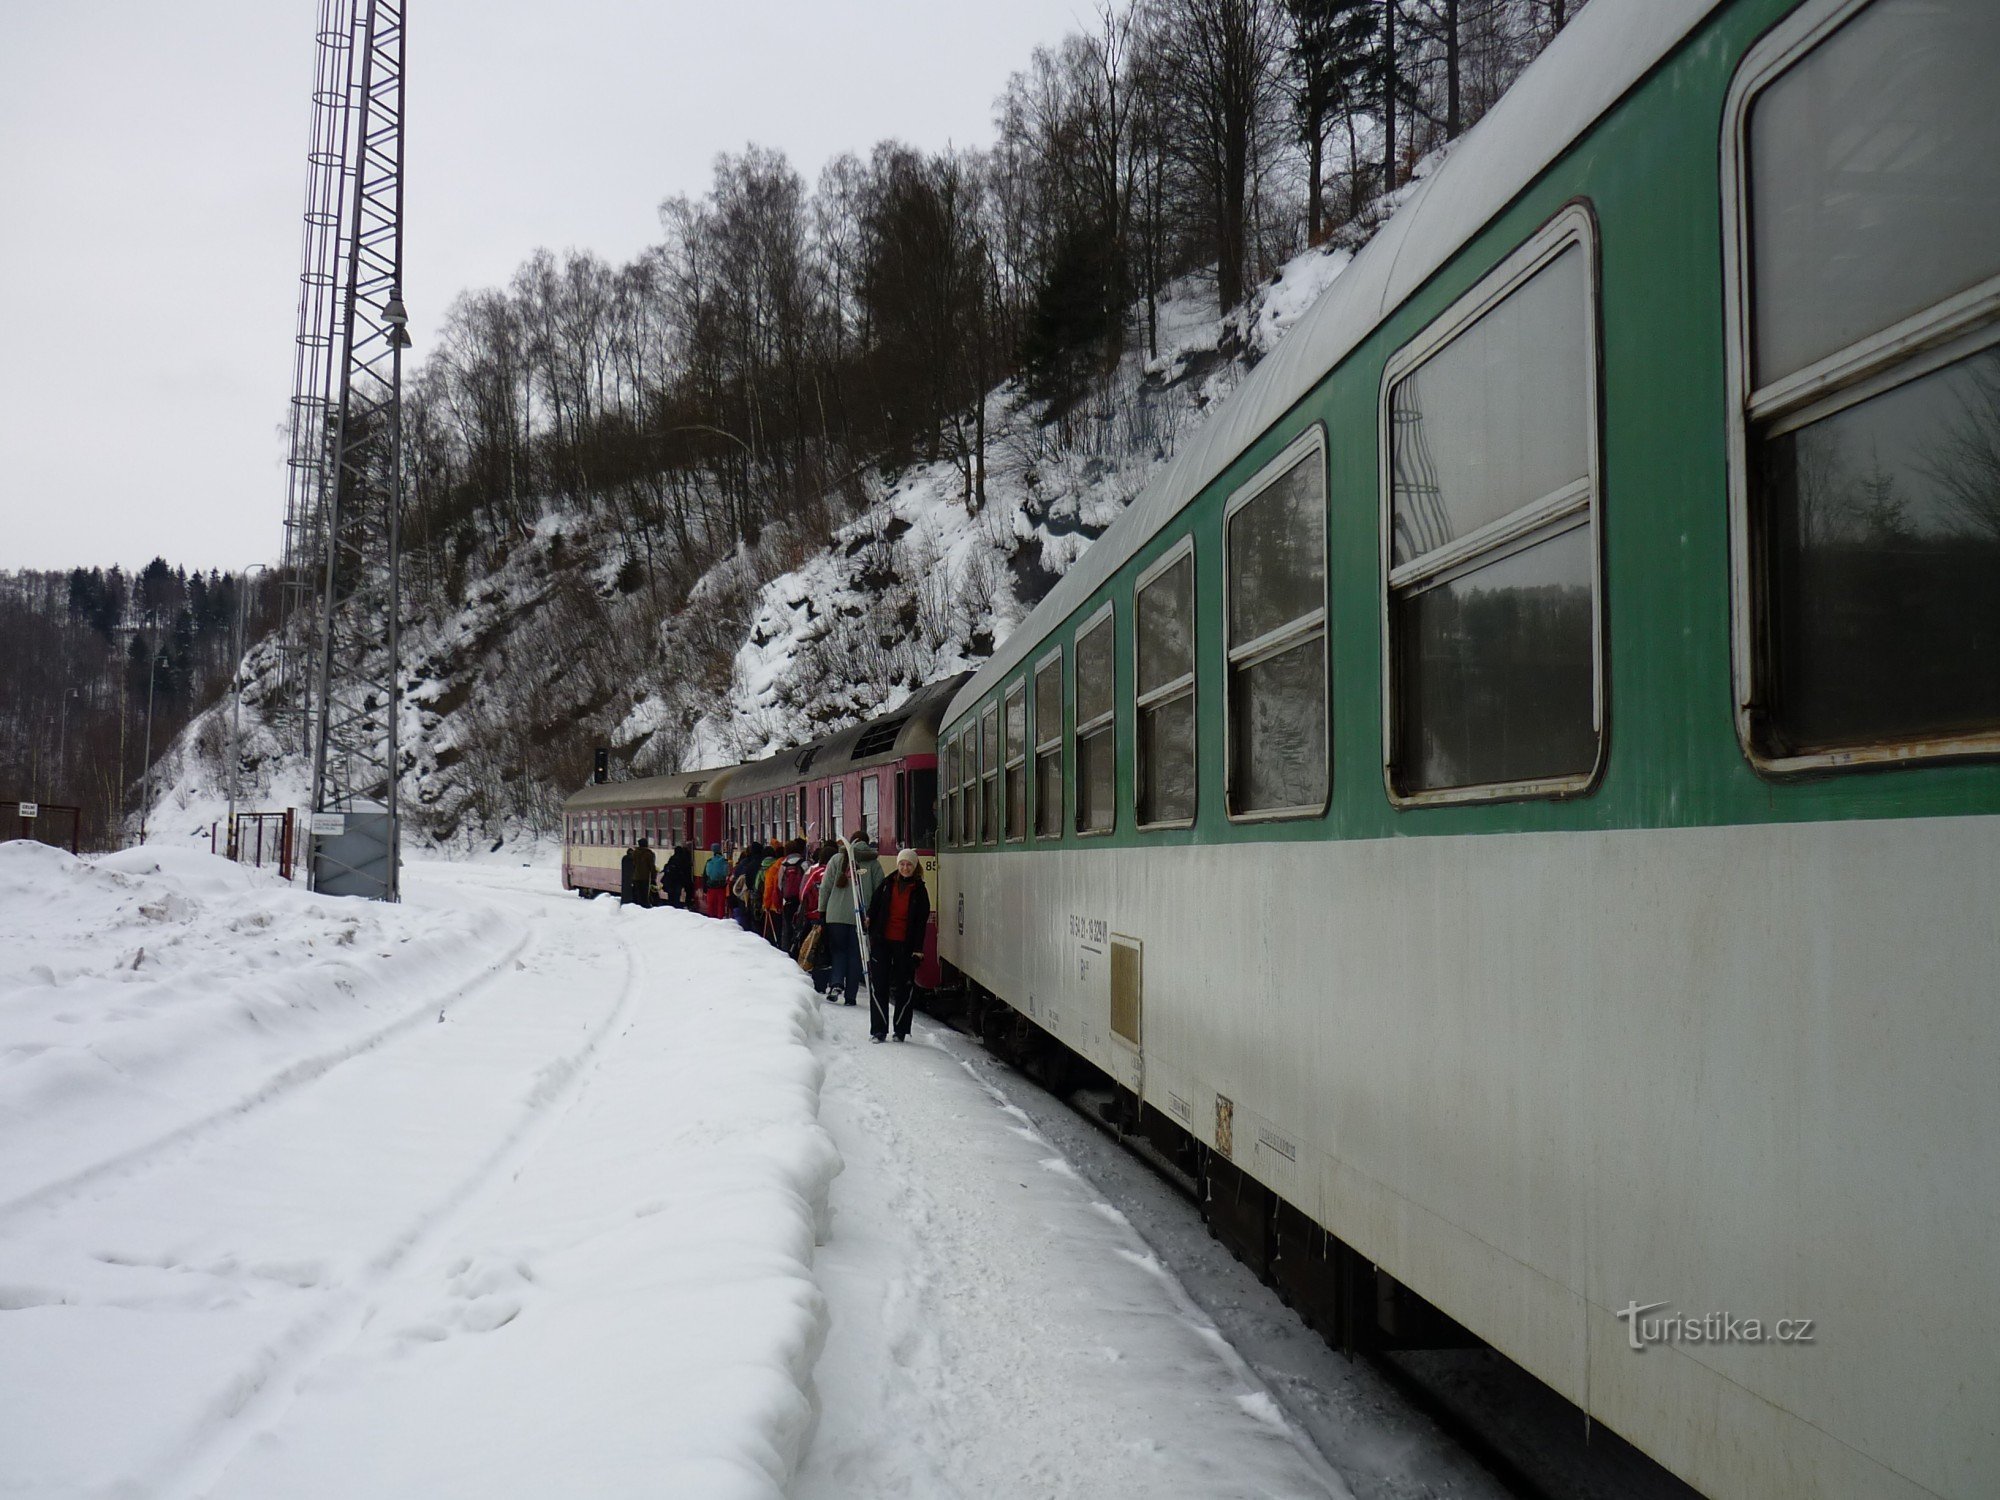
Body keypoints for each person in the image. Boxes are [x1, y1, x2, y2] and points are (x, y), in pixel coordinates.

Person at [866, 848, 932, 1042]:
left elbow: (921, 923)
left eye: (909, 865)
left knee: (904, 987)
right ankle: (879, 1030)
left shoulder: (920, 891)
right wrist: (869, 918)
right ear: (898, 865)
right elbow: (874, 905)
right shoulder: (886, 884)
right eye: (902, 864)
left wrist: (918, 950)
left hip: (906, 945)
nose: (905, 868)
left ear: (915, 867)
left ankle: (901, 1030)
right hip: (882, 942)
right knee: (879, 986)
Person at [817, 832, 879, 1007]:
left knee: (838, 952)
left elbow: (825, 887)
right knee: (856, 955)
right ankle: (851, 996)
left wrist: (822, 911)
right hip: (860, 916)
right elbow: (879, 891)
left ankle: (836, 984)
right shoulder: (873, 863)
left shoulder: (836, 859)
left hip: (835, 916)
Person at [776, 838, 809, 950]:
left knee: (787, 927)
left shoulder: (783, 865)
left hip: (788, 900)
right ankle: (800, 950)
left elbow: (780, 884)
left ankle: (786, 951)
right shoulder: (804, 863)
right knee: (802, 927)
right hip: (802, 901)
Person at [660, 841, 694, 909]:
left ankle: (671, 907)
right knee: (677, 895)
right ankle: (677, 907)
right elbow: (686, 869)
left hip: (670, 881)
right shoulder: (684, 859)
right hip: (679, 880)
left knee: (671, 895)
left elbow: (666, 867)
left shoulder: (672, 858)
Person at [702, 842, 731, 918]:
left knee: (711, 905)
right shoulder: (725, 861)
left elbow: (706, 874)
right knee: (720, 905)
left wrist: (705, 887)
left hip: (711, 886)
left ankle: (711, 919)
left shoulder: (709, 861)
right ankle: (720, 919)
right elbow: (727, 873)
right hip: (721, 887)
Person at [628, 837, 658, 908]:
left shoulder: (635, 853)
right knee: (644, 894)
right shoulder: (648, 854)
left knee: (637, 894)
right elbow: (651, 866)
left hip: (636, 877)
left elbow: (632, 864)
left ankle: (638, 906)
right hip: (645, 877)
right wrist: (654, 876)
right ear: (646, 844)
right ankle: (644, 906)